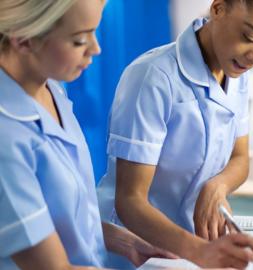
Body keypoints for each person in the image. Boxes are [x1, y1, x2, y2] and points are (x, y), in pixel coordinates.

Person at [96, 0, 253, 267]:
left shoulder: (236, 74)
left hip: (188, 247)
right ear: (218, 9)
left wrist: (218, 186)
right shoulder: (153, 76)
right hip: (134, 246)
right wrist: (200, 252)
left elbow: (240, 159)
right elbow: (130, 201)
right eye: (249, 37)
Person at [0, 1, 175, 269]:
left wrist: (126, 242)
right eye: (79, 40)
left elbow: (64, 219)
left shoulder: (52, 89)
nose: (96, 48)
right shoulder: (6, 137)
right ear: (23, 40)